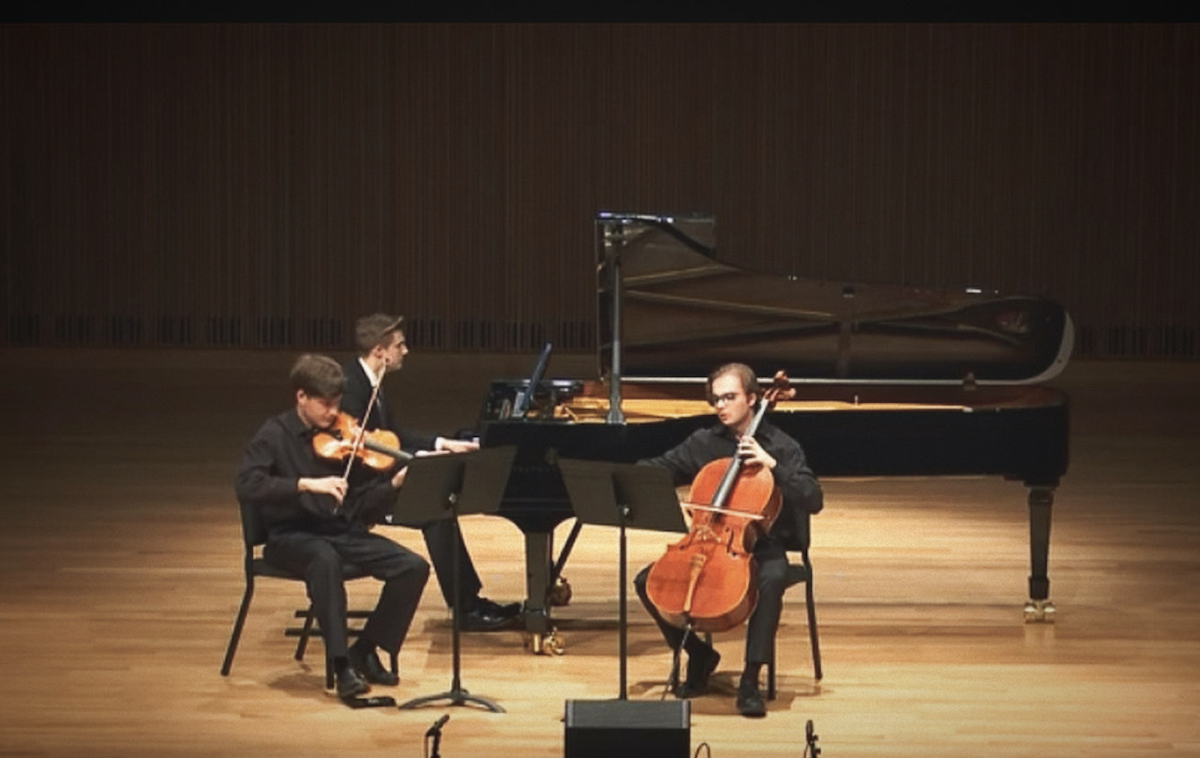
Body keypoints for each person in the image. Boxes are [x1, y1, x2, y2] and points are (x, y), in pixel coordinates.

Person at [633, 362, 823, 717]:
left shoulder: (781, 446)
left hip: (764, 545)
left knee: (772, 578)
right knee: (648, 581)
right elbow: (664, 466)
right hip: (708, 541)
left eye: (729, 397)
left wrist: (772, 465)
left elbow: (813, 498)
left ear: (752, 398)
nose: (721, 406)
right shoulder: (704, 442)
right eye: (716, 399)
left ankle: (750, 680)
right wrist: (626, 475)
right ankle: (700, 656)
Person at [235, 354, 430, 699]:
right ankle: (341, 666)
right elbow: (247, 485)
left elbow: (359, 503)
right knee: (324, 560)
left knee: (412, 567)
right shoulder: (274, 434)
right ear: (301, 397)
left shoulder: (343, 436)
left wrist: (393, 485)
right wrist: (305, 484)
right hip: (291, 536)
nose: (333, 413)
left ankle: (366, 648)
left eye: (337, 403)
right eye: (325, 405)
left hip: (339, 531)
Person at [340, 313, 519, 631]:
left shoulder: (372, 383)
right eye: (400, 344)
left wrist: (443, 443)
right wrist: (413, 459)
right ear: (380, 350)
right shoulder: (353, 388)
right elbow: (366, 453)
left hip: (381, 481)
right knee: (436, 510)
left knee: (439, 506)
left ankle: (468, 603)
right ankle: (466, 608)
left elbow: (393, 435)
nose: (405, 350)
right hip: (363, 494)